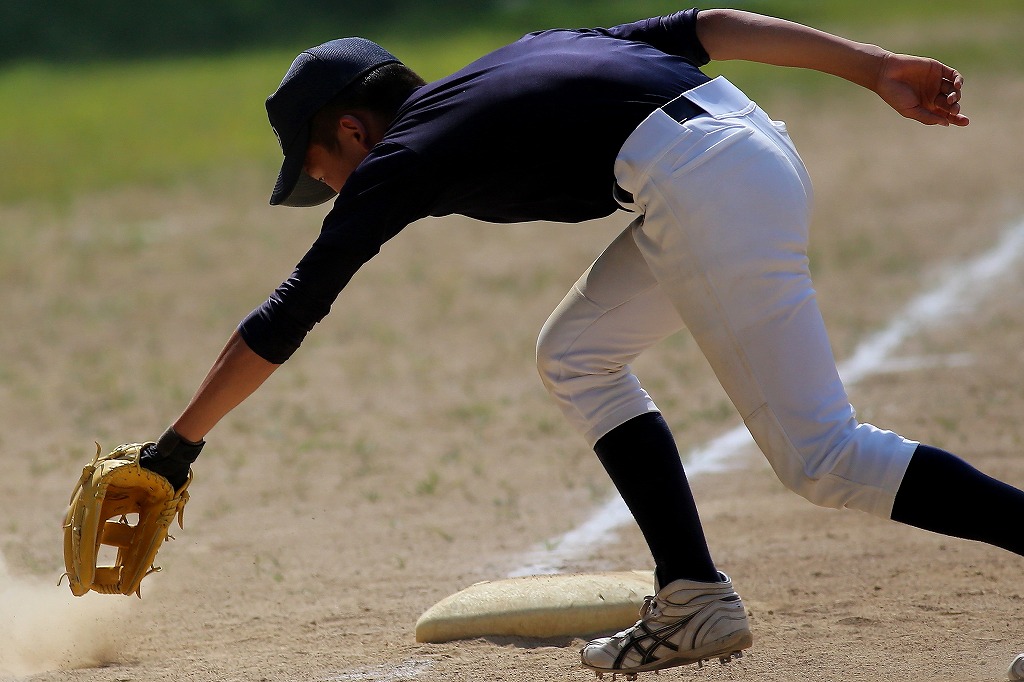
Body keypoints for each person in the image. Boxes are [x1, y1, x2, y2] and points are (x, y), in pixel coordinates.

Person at [135, 7, 1024, 677]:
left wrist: (176, 448)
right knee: (576, 353)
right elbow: (707, 26)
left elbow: (294, 306)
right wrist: (871, 68)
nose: (326, 190)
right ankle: (694, 596)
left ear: (352, 131)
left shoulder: (404, 152)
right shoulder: (526, 52)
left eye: (317, 171)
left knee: (821, 455)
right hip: (740, 150)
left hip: (703, 183)